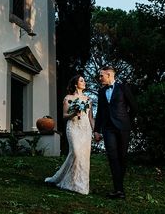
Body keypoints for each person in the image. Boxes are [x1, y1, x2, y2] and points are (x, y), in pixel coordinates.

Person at [93, 65, 137, 200]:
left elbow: (134, 107)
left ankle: (119, 187)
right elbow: (99, 113)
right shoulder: (101, 92)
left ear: (109, 75)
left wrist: (127, 123)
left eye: (101, 75)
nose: (99, 78)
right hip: (108, 129)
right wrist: (96, 130)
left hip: (123, 127)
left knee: (122, 157)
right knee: (112, 157)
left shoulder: (123, 88)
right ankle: (119, 190)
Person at [45, 74, 94, 194]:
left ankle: (80, 186)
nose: (84, 82)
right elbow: (64, 116)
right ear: (76, 84)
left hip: (86, 129)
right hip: (73, 128)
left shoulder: (88, 100)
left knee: (84, 156)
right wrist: (74, 113)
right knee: (76, 153)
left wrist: (95, 130)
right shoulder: (68, 98)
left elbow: (91, 117)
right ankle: (62, 180)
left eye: (84, 80)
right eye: (82, 80)